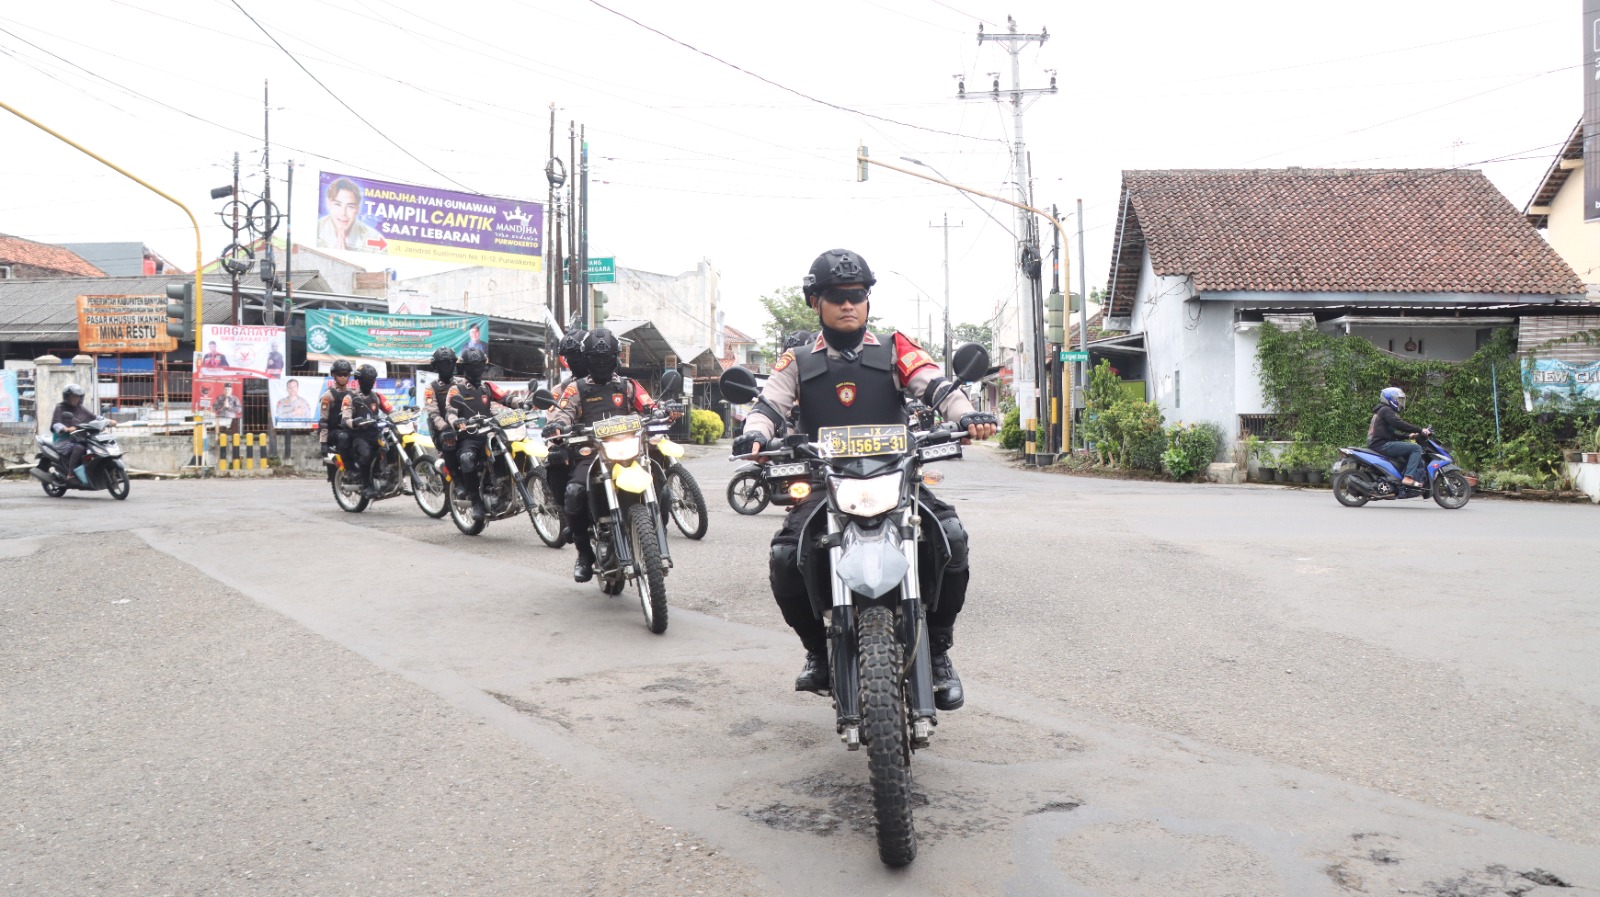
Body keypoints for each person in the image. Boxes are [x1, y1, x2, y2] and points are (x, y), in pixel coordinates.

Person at [731, 249, 997, 711]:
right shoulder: (796, 360)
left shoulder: (896, 348)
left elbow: (935, 385)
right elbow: (769, 406)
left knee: (951, 537)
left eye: (857, 295)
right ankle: (817, 650)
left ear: (868, 299)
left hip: (897, 475)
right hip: (824, 480)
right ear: (816, 302)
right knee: (782, 558)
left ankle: (937, 651)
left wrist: (967, 414)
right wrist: (755, 433)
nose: (848, 304)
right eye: (836, 296)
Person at [543, 329, 656, 582]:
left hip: (628, 452)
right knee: (573, 493)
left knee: (657, 472)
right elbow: (562, 413)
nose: (602, 363)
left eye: (607, 358)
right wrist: (558, 426)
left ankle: (654, 527)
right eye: (596, 358)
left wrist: (661, 412)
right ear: (587, 359)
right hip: (591, 455)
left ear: (616, 358)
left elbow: (648, 404)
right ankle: (584, 553)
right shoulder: (575, 389)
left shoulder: (628, 385)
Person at [445, 347, 515, 510]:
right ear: (465, 368)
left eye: (479, 365)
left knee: (509, 447)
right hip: (470, 436)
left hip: (490, 434)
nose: (476, 369)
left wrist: (524, 403)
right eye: (472, 365)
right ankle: (476, 502)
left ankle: (505, 489)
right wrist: (456, 421)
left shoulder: (488, 387)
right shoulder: (457, 389)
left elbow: (507, 398)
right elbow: (450, 412)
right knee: (466, 459)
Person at [541, 329, 588, 545]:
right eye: (568, 357)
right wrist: (557, 431)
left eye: (577, 354)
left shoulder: (615, 382)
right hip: (577, 447)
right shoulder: (561, 390)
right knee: (555, 458)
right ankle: (569, 517)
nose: (573, 361)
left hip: (613, 443)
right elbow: (554, 418)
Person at [342, 364, 393, 496]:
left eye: (371, 380)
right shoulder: (350, 398)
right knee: (366, 454)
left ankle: (390, 477)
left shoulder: (376, 397)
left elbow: (391, 410)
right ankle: (366, 485)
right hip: (359, 435)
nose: (369, 383)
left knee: (391, 446)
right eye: (366, 380)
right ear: (359, 380)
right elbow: (345, 418)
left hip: (375, 432)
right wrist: (354, 422)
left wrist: (403, 414)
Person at [1368, 386, 1431, 488]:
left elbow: (1389, 433)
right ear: (1390, 399)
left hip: (1379, 443)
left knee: (1408, 450)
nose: (1400, 402)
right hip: (1382, 444)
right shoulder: (1385, 410)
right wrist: (1420, 430)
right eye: (1399, 400)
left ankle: (1399, 481)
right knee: (1416, 448)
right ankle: (1408, 477)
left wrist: (1407, 436)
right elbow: (1399, 424)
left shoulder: (1381, 411)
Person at [424, 347, 464, 492]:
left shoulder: (462, 382)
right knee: (449, 439)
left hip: (464, 426)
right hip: (442, 430)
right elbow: (433, 414)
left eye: (450, 362)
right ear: (436, 366)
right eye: (443, 363)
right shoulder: (431, 388)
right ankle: (457, 481)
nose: (448, 366)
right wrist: (447, 427)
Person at [51, 383, 101, 485]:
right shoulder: (60, 407)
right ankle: (70, 475)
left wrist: (108, 421)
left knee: (92, 447)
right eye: (73, 397)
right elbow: (56, 423)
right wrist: (65, 428)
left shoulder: (80, 408)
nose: (75, 399)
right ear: (67, 398)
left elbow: (94, 417)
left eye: (77, 397)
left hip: (77, 438)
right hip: (62, 440)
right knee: (79, 448)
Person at [317, 177, 381, 252]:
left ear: (357, 209)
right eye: (338, 204)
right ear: (328, 204)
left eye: (350, 207)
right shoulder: (314, 229)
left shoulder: (374, 238)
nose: (343, 213)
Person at [318, 360, 356, 479]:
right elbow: (323, 421)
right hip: (334, 432)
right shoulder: (328, 395)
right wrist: (323, 443)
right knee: (343, 436)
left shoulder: (353, 394)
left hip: (349, 428)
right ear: (334, 375)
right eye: (340, 374)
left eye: (346, 374)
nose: (343, 377)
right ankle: (348, 469)